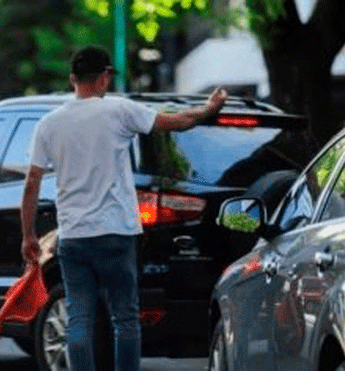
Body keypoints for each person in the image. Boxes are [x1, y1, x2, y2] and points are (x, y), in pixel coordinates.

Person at [20, 45, 227, 371]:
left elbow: (32, 181)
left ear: (73, 79)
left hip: (74, 236)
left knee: (79, 319)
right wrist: (208, 108)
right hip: (116, 233)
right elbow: (180, 122)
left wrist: (28, 235)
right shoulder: (119, 111)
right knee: (125, 319)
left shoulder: (49, 124)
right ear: (104, 78)